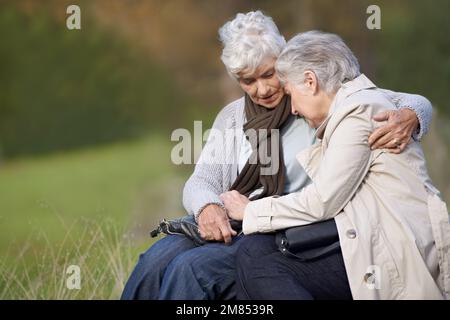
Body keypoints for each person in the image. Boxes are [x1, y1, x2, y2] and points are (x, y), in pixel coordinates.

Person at [121, 12, 434, 300]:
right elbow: (202, 180)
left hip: (285, 226)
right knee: (154, 261)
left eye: (268, 74)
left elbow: (395, 100)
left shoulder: (312, 99)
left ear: (282, 60)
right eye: (247, 80)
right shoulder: (232, 117)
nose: (261, 89)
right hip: (234, 217)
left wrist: (412, 115)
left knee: (190, 268)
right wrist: (206, 207)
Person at [221, 30, 450, 300]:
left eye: (292, 95)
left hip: (396, 256)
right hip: (375, 239)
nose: (292, 108)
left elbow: (323, 200)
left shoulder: (358, 114)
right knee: (257, 252)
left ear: (310, 81)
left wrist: (250, 211)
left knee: (258, 263)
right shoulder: (356, 104)